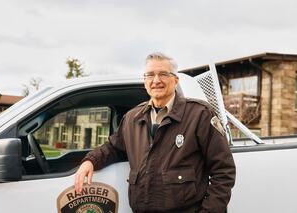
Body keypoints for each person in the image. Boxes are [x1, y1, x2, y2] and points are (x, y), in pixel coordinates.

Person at [75, 52, 236, 213]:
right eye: (150, 75)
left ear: (175, 80)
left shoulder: (200, 114)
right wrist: (90, 161)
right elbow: (113, 148)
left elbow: (223, 171)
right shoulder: (132, 118)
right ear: (145, 81)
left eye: (163, 74)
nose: (156, 80)